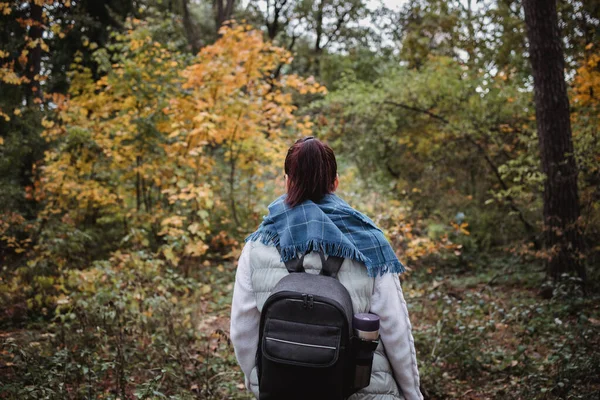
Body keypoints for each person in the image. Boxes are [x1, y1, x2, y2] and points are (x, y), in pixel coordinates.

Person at [230, 136, 423, 400]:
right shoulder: (368, 242)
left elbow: (242, 330)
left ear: (287, 180)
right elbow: (395, 330)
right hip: (362, 390)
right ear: (335, 182)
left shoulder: (258, 245)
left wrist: (259, 380)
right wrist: (412, 393)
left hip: (283, 388)